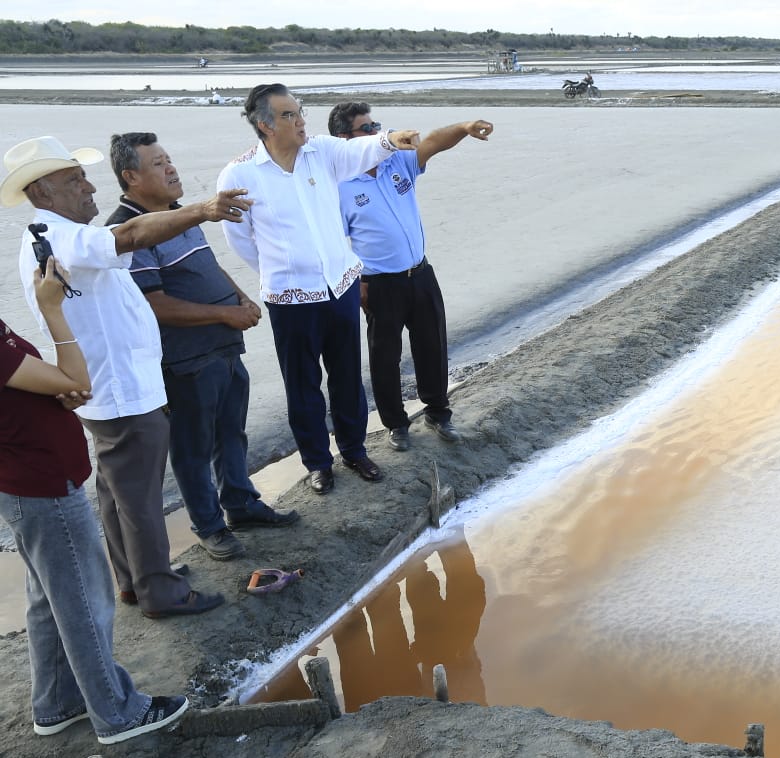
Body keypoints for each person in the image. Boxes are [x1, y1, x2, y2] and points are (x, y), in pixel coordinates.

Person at [4, 134, 250, 618]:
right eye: (75, 180)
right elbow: (131, 235)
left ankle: (134, 580)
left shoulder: (58, 238)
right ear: (42, 192)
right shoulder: (62, 237)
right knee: (139, 498)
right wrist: (203, 210)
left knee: (118, 492)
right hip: (121, 391)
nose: (90, 187)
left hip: (115, 388)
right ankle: (161, 591)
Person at [1, 256, 190, 743]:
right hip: (40, 483)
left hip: (28, 480)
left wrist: (58, 387)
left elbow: (55, 382)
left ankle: (56, 702)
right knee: (84, 600)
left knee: (49, 597)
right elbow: (77, 381)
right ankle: (117, 713)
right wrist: (52, 310)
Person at [217, 83, 421, 495]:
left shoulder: (322, 151)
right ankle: (317, 463)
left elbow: (360, 150)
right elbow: (239, 239)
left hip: (340, 286)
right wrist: (284, 271)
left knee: (347, 376)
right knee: (303, 385)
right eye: (289, 115)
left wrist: (390, 139)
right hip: (290, 298)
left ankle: (355, 451)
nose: (300, 121)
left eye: (300, 111)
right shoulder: (239, 174)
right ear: (265, 125)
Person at [105, 132, 299, 562]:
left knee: (231, 433)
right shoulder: (128, 231)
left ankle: (241, 504)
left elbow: (207, 265)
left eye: (169, 159)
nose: (171, 168)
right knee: (192, 448)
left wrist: (240, 298)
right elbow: (154, 304)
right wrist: (224, 314)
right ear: (131, 177)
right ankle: (210, 527)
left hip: (223, 347)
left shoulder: (178, 214)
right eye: (159, 163)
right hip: (186, 360)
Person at [327, 102, 493, 451]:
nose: (376, 133)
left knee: (433, 346)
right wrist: (355, 283)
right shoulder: (339, 186)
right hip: (378, 284)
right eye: (366, 129)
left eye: (375, 125)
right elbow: (333, 243)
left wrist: (463, 127)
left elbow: (433, 142)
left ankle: (438, 412)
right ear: (344, 139)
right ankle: (396, 424)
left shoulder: (397, 161)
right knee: (385, 357)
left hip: (420, 273)